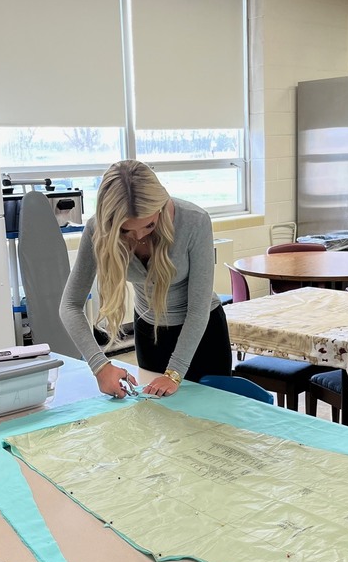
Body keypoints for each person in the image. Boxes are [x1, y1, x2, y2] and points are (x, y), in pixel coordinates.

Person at [60, 160, 232, 398]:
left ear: (161, 208)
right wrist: (100, 366)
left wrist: (174, 373)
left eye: (149, 225)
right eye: (125, 231)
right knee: (156, 422)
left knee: (214, 422)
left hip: (202, 335)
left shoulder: (194, 221)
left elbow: (198, 309)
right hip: (149, 334)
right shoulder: (96, 230)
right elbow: (69, 305)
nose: (139, 236)